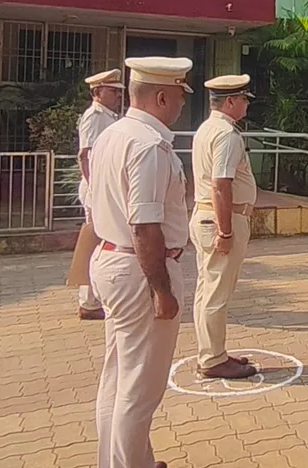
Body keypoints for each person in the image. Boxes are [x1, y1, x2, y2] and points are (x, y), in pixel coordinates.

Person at [87, 56, 193, 468]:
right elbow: (145, 226)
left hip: (113, 260)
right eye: (181, 95)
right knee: (139, 389)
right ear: (162, 97)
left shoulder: (113, 135)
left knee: (117, 378)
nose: (183, 104)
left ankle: (127, 461)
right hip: (140, 268)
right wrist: (162, 290)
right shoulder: (149, 146)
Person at [190, 75, 260, 381]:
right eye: (243, 99)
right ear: (230, 102)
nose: (246, 104)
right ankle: (213, 359)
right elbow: (221, 184)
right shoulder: (227, 135)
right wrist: (226, 231)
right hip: (222, 217)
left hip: (206, 215)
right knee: (216, 291)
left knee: (207, 288)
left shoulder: (207, 129)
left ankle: (211, 351)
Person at [75, 68, 123, 321]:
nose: (117, 95)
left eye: (118, 91)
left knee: (101, 241)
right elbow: (86, 155)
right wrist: (95, 186)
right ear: (97, 92)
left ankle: (93, 299)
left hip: (103, 187)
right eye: (112, 91)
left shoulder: (110, 116)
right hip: (96, 189)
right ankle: (89, 301)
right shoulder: (94, 116)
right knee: (95, 243)